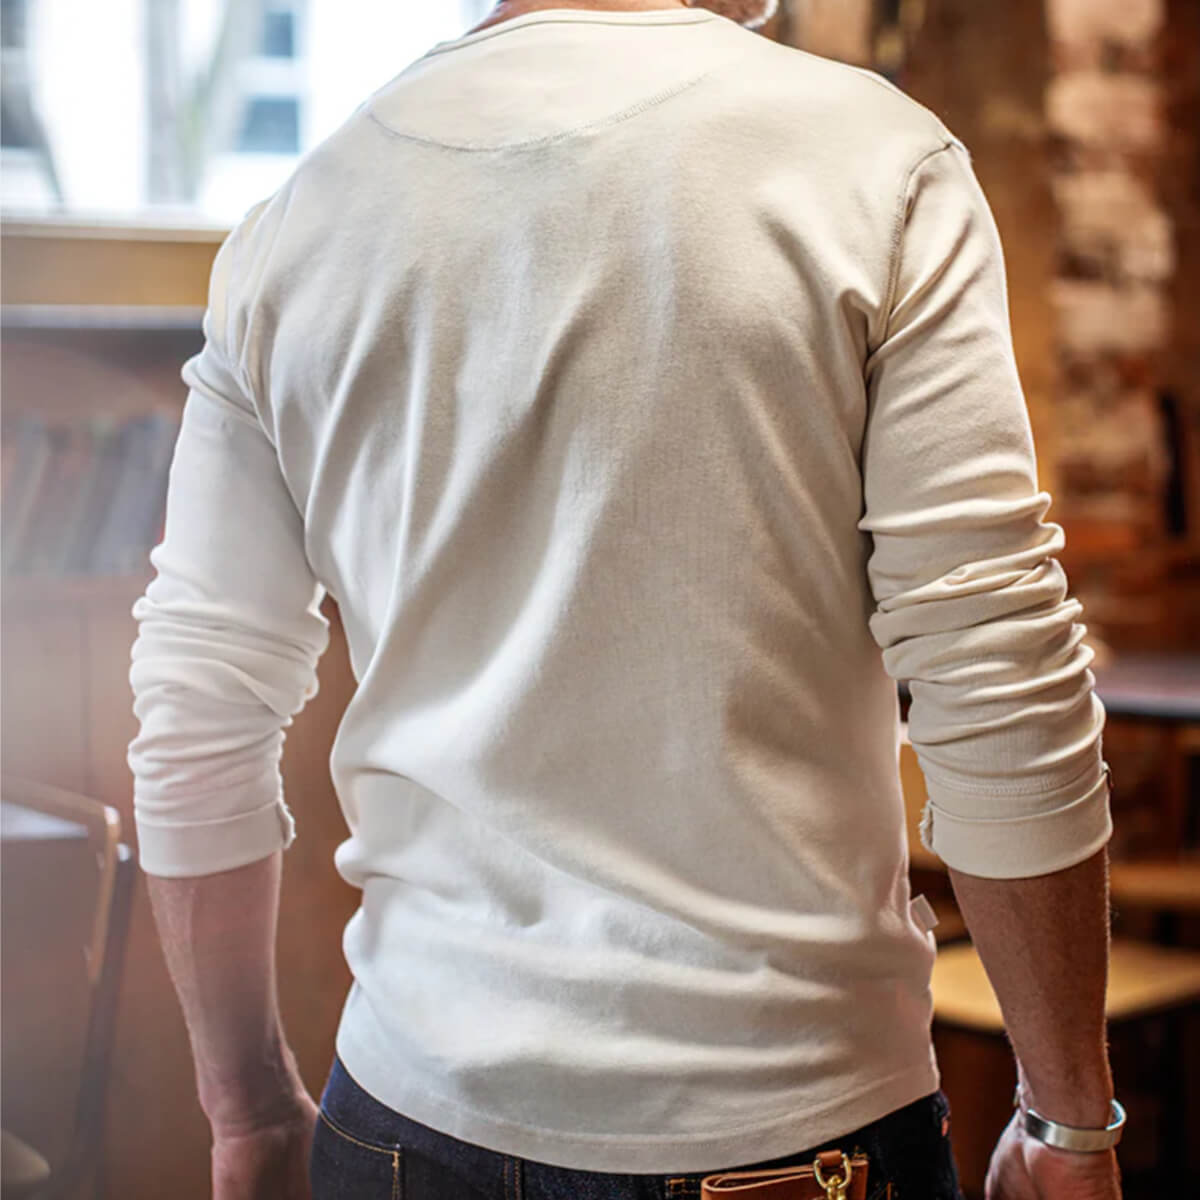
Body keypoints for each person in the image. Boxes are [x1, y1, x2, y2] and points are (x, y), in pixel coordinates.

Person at [126, 3, 1125, 1198]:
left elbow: (194, 717)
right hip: (791, 1131)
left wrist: (244, 1113)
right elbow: (991, 661)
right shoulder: (879, 165)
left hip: (400, 1118)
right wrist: (1069, 1121)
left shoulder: (293, 230)